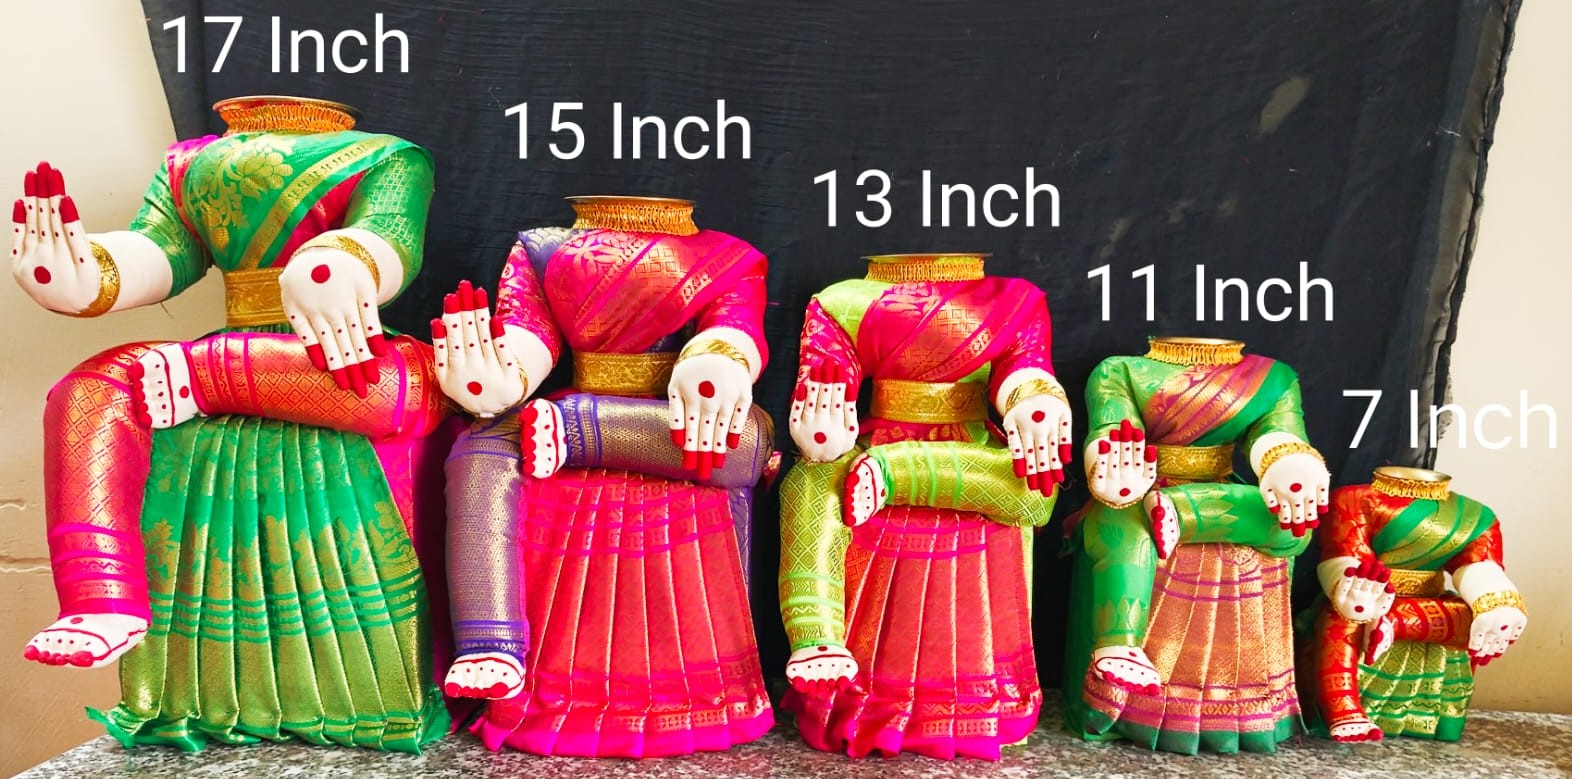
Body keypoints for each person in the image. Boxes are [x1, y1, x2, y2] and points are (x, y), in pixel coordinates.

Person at [12, 96, 454, 752]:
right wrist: (83, 274)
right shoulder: (192, 164)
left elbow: (390, 237)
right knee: (85, 389)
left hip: (336, 349)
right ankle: (100, 595)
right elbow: (161, 251)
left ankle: (210, 375)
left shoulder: (388, 157)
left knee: (399, 389)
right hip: (231, 349)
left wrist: (338, 264)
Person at [434, 196, 774, 757]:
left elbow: (735, 330)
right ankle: (490, 641)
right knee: (479, 444)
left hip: (680, 414)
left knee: (745, 440)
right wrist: (500, 376)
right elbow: (528, 335)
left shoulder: (730, 257)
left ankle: (581, 429)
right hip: (573, 406)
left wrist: (715, 363)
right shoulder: (543, 250)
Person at [777, 253, 1071, 760]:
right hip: (877, 441)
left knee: (1036, 489)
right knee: (809, 479)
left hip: (971, 449)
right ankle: (816, 634)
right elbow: (828, 376)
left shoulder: (1015, 301)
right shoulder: (842, 300)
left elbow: (1026, 370)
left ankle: (900, 473)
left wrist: (1035, 404)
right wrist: (822, 420)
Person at [1064, 337, 1329, 753]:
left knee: (1294, 525)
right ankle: (1120, 644)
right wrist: (1111, 464)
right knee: (1126, 527)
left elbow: (1279, 433)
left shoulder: (1273, 378)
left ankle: (1184, 510)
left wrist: (1290, 465)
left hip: (1217, 491)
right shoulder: (1121, 370)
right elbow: (1112, 428)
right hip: (1139, 489)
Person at [1305, 466, 1526, 742]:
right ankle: (1345, 709)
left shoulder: (1476, 515)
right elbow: (1344, 552)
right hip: (1371, 595)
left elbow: (1478, 565)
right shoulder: (1355, 499)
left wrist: (1496, 600)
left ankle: (1393, 624)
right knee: (1345, 616)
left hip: (1428, 603)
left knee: (1474, 618)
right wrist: (1352, 584)